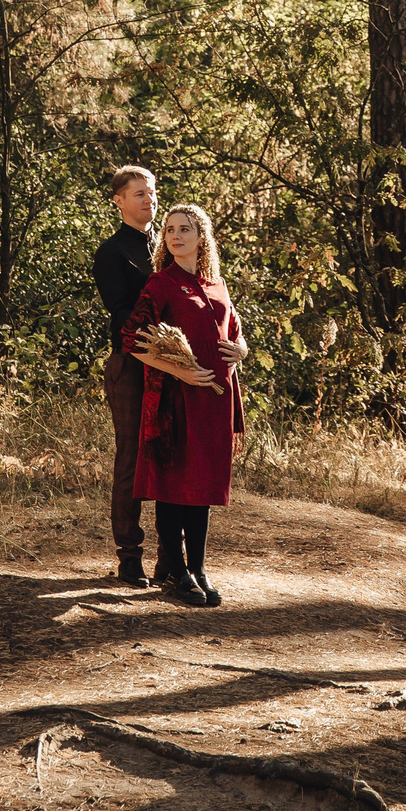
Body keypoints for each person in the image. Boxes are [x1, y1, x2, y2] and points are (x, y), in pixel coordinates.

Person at [123, 203, 247, 606]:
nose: (175, 236)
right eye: (170, 230)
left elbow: (235, 331)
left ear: (201, 237)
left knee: (203, 485)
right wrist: (181, 372)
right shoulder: (161, 283)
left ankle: (199, 568)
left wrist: (242, 350)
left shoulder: (217, 284)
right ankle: (177, 572)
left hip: (217, 400)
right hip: (176, 400)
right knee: (175, 485)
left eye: (185, 229)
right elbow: (132, 341)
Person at [91, 165, 159, 585]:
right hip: (131, 364)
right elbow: (120, 313)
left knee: (172, 458)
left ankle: (172, 558)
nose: (149, 199)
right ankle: (129, 556)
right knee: (131, 459)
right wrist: (162, 343)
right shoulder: (112, 252)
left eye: (152, 192)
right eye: (139, 194)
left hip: (176, 366)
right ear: (119, 201)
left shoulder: (171, 242)